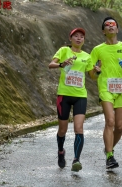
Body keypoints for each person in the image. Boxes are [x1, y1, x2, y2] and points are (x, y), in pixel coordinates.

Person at [90, 17, 122, 169]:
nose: (110, 27)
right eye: (107, 25)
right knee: (110, 122)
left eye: (113, 25)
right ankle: (110, 157)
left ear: (117, 29)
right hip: (105, 88)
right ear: (103, 31)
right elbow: (91, 74)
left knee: (119, 126)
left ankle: (108, 148)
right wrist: (95, 71)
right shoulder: (97, 50)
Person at [48, 28, 98, 172]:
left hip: (80, 96)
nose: (79, 38)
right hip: (63, 95)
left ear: (84, 40)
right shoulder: (64, 50)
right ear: (70, 38)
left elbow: (92, 76)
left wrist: (97, 71)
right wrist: (61, 64)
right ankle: (60, 151)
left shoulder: (87, 57)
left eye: (81, 36)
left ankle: (76, 160)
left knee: (78, 128)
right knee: (62, 130)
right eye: (76, 36)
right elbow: (51, 65)